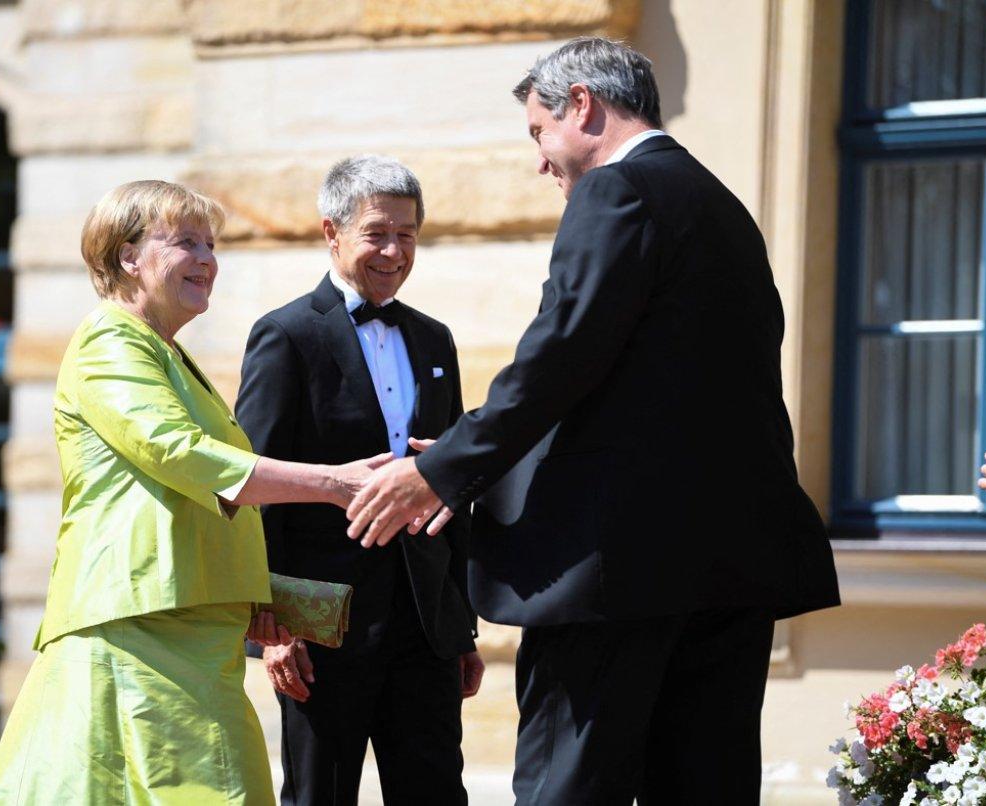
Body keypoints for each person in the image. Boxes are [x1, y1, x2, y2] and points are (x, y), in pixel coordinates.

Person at [347, 37, 841, 803]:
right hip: (730, 569)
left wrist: (440, 471)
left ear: (582, 105)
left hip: (613, 573)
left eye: (538, 133)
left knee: (568, 789)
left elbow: (560, 356)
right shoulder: (722, 206)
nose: (540, 162)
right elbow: (650, 384)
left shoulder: (618, 192)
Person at [0, 180, 387, 805]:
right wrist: (333, 484)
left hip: (184, 625)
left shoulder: (163, 352)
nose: (208, 259)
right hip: (139, 627)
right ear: (128, 257)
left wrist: (261, 593)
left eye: (211, 244)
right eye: (186, 243)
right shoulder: (109, 341)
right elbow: (182, 456)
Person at [235, 155, 482, 805]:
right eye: (378, 233)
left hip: (423, 628)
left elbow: (450, 491)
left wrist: (459, 630)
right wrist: (275, 626)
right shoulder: (286, 335)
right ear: (332, 232)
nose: (394, 251)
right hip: (322, 630)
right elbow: (253, 490)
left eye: (407, 234)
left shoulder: (435, 340)